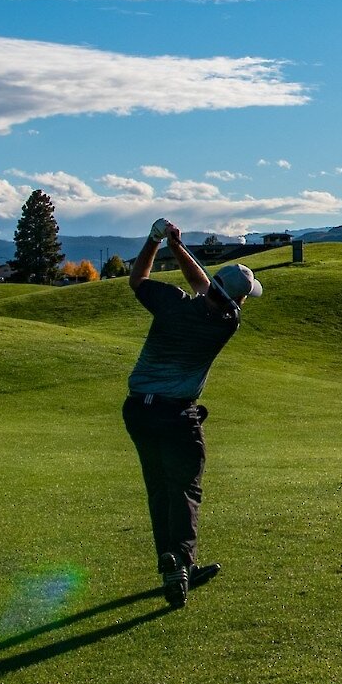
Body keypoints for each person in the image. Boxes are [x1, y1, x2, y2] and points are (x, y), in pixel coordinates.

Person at [122, 217, 261, 608]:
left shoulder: (172, 304)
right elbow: (206, 288)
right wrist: (178, 248)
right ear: (238, 299)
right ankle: (180, 562)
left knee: (160, 489)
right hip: (177, 415)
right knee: (185, 488)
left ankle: (173, 561)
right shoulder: (227, 322)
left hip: (138, 410)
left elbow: (138, 280)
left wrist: (159, 241)